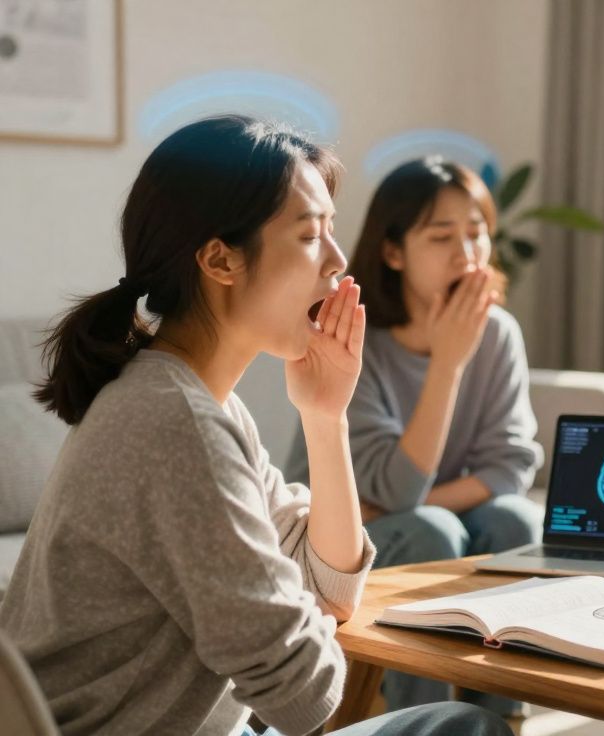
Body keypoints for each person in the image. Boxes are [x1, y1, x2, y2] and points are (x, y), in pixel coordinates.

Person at [0, 116, 511, 736]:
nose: (339, 259)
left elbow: (332, 588)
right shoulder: (174, 424)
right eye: (309, 234)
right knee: (461, 728)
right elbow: (304, 697)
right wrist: (298, 617)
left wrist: (325, 418)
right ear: (221, 260)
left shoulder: (199, 402)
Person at [285, 156, 542, 713]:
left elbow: (511, 468)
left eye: (476, 234)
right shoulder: (359, 338)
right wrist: (448, 364)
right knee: (432, 529)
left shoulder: (497, 333)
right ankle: (420, 721)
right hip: (338, 545)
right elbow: (401, 494)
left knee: (515, 518)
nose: (467, 253)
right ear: (394, 251)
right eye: (441, 235)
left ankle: (497, 716)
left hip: (419, 520)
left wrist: (422, 504)